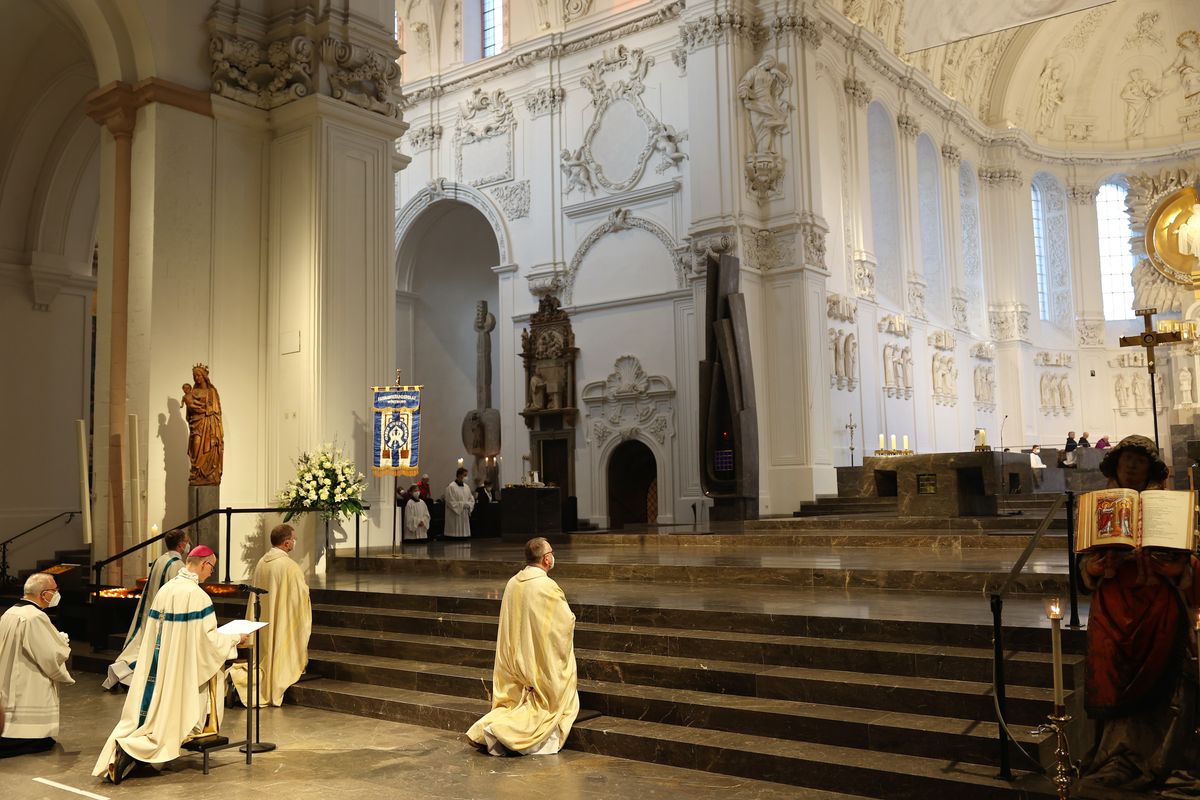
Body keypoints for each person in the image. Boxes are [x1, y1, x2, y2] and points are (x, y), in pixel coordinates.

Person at [1075, 436, 1200, 795]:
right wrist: (1093, 567)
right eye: (1126, 459)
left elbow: (1191, 560)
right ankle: (1117, 758)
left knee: (1171, 685)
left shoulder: (1172, 508)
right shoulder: (1097, 507)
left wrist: (1179, 567)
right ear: (1115, 465)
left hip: (1160, 609)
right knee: (1116, 681)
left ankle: (1165, 760)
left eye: (1139, 461)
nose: (1131, 466)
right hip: (1113, 611)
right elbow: (1082, 566)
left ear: (1151, 469)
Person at [93, 546, 245, 784]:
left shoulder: (166, 589)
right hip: (180, 669)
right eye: (212, 568)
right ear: (204, 564)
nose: (210, 573)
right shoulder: (197, 596)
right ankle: (133, 749)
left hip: (159, 665)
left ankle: (131, 751)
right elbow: (208, 642)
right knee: (174, 719)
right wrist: (235, 638)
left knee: (154, 713)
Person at [467, 538, 579, 755]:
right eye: (551, 553)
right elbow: (563, 622)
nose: (553, 556)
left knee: (513, 705)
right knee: (548, 705)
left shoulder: (512, 582)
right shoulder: (546, 586)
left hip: (515, 663)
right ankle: (502, 732)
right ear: (546, 559)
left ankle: (490, 728)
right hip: (536, 663)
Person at [229, 524, 311, 707]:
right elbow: (299, 597)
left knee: (264, 654)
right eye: (294, 539)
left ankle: (246, 682)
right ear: (287, 542)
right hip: (280, 619)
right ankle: (266, 682)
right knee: (277, 657)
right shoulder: (290, 566)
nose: (295, 542)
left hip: (263, 619)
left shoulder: (262, 562)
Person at [104, 528, 190, 689]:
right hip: (163, 613)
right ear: (180, 544)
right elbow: (177, 593)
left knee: (141, 644)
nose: (188, 545)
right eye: (186, 541)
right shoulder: (177, 565)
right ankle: (126, 675)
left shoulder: (160, 560)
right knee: (149, 649)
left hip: (150, 608)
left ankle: (121, 670)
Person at [0, 574, 73, 757]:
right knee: (34, 737)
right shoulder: (35, 617)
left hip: (10, 671)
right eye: (55, 590)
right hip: (28, 676)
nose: (57, 594)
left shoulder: (10, 612)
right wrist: (62, 645)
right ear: (44, 594)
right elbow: (49, 655)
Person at [444, 468, 475, 539]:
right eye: (465, 475)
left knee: (464, 537)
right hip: (455, 514)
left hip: (464, 513)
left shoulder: (467, 487)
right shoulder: (451, 487)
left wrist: (469, 505)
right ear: (459, 475)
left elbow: (471, 499)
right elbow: (450, 501)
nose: (466, 477)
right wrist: (463, 505)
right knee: (455, 535)